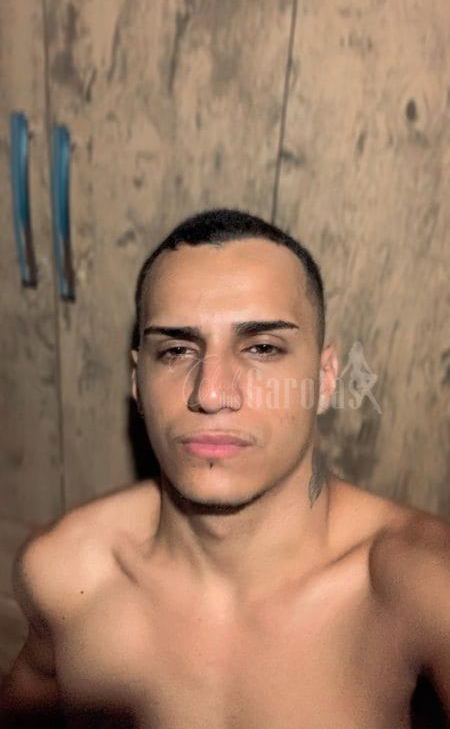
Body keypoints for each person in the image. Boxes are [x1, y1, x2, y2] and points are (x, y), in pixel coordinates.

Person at [1, 208, 449, 729]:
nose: (211, 393)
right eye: (176, 350)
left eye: (262, 348)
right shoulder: (64, 574)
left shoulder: (420, 588)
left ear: (326, 378)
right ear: (137, 381)